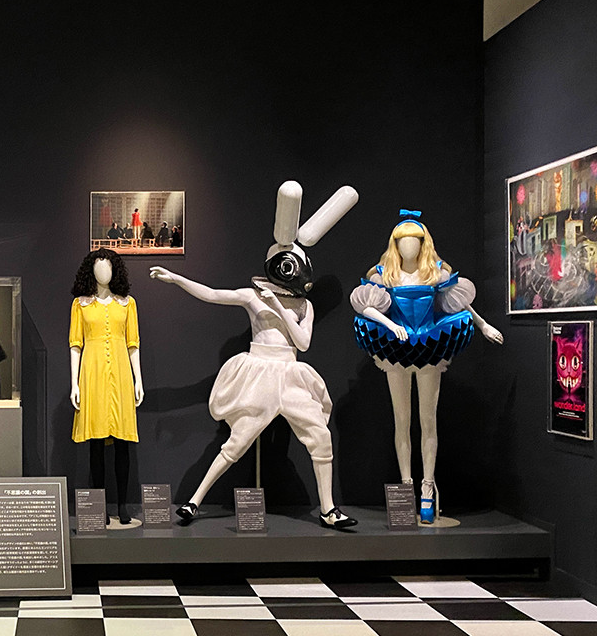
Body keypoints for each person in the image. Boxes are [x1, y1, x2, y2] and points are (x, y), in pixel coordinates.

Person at [150, 182, 359, 530]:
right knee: (237, 442)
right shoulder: (252, 296)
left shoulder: (304, 305)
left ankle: (328, 509)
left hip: (290, 373)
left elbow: (303, 343)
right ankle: (194, 502)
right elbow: (213, 295)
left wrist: (281, 308)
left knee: (320, 438)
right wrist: (177, 279)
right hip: (259, 372)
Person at [351, 210, 502, 523]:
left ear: (423, 243)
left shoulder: (436, 271)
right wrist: (390, 325)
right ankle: (406, 486)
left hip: (430, 344)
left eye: (414, 241)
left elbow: (460, 301)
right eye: (402, 241)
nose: (408, 246)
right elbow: (364, 305)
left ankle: (428, 488)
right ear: (395, 244)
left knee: (428, 420)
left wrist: (483, 324)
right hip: (396, 346)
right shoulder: (383, 273)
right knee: (401, 420)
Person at [70, 249, 144, 526]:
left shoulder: (127, 304)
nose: (104, 272)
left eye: (108, 267)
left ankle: (123, 505)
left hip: (121, 375)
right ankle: (99, 507)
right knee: (96, 444)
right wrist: (74, 383)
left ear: (116, 270)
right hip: (92, 375)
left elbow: (133, 344)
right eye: (99, 267)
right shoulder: (80, 305)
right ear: (90, 271)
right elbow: (75, 345)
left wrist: (138, 379)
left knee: (123, 443)